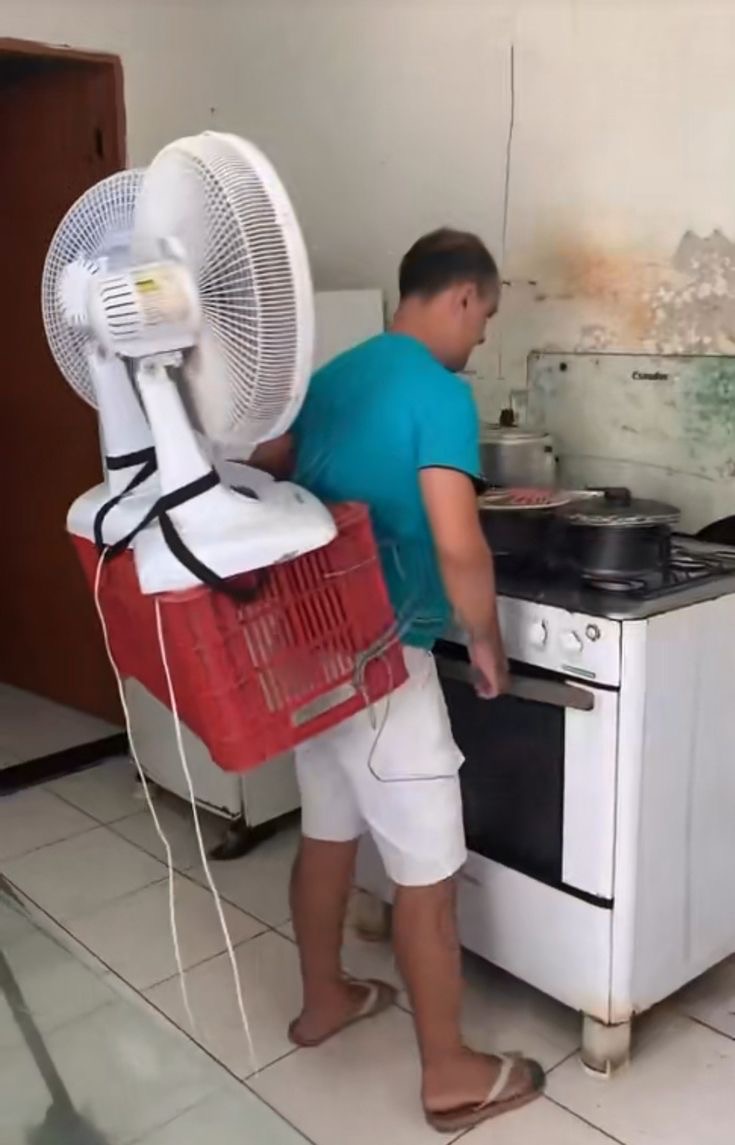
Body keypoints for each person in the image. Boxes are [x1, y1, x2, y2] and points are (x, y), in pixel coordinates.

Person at [252, 228, 544, 1132]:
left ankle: (322, 1001)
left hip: (309, 651)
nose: (481, 335)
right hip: (383, 657)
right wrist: (485, 640)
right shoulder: (438, 393)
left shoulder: (332, 377)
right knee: (427, 870)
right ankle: (449, 1072)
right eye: (484, 316)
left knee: (327, 832)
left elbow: (273, 473)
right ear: (460, 296)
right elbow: (458, 540)